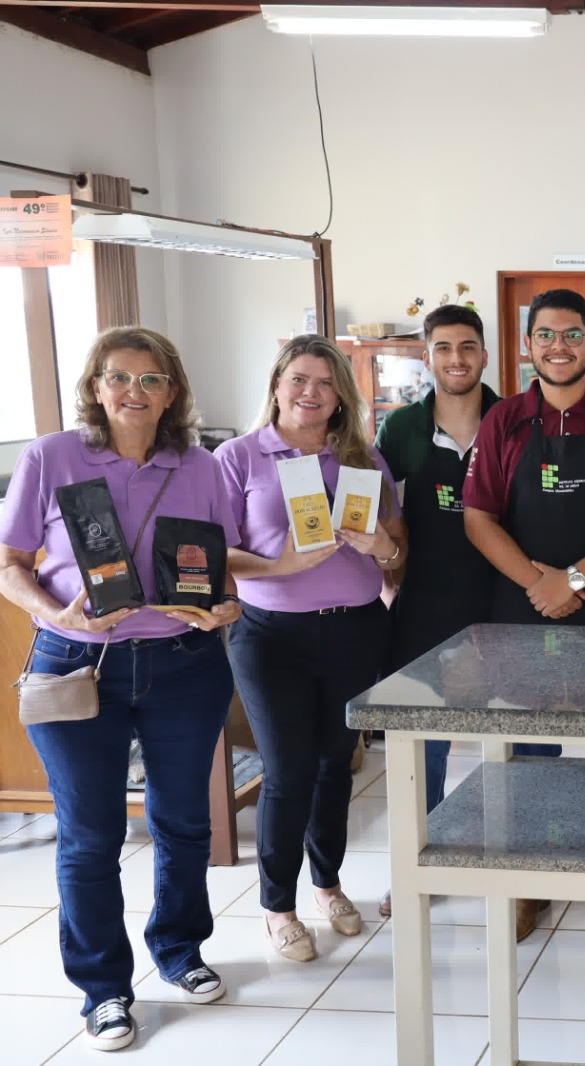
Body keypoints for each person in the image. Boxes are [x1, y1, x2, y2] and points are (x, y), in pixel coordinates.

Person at [0, 327, 242, 1051]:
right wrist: (57, 613)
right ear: (95, 385)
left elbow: (217, 569)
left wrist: (224, 606)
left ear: (173, 392)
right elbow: (10, 563)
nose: (135, 391)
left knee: (184, 822)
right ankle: (103, 989)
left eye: (151, 379)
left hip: (183, 665)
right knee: (89, 834)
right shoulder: (51, 456)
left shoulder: (200, 465)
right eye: (120, 377)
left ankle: (179, 948)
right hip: (77, 664)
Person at [462, 288, 585, 948]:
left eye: (573, 334)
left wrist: (572, 580)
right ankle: (530, 882)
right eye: (546, 335)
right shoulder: (503, 422)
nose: (559, 346)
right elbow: (478, 519)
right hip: (524, 612)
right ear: (528, 345)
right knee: (529, 759)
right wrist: (540, 585)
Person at [218, 335, 405, 964]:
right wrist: (280, 564)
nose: (311, 392)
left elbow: (396, 550)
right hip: (271, 636)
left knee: (334, 765)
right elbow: (215, 552)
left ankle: (328, 883)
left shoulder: (362, 460)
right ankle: (278, 907)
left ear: (341, 396)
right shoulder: (238, 457)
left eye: (325, 383)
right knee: (289, 770)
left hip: (354, 629)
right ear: (276, 385)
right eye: (298, 379)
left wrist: (380, 546)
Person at [372, 304, 500, 921]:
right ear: (427, 357)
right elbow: (381, 515)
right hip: (425, 605)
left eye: (467, 346)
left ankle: (513, 859)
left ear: (485, 355)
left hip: (503, 604)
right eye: (444, 347)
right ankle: (416, 863)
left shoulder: (513, 419)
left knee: (513, 744)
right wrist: (388, 584)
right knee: (423, 746)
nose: (456, 358)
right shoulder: (400, 429)